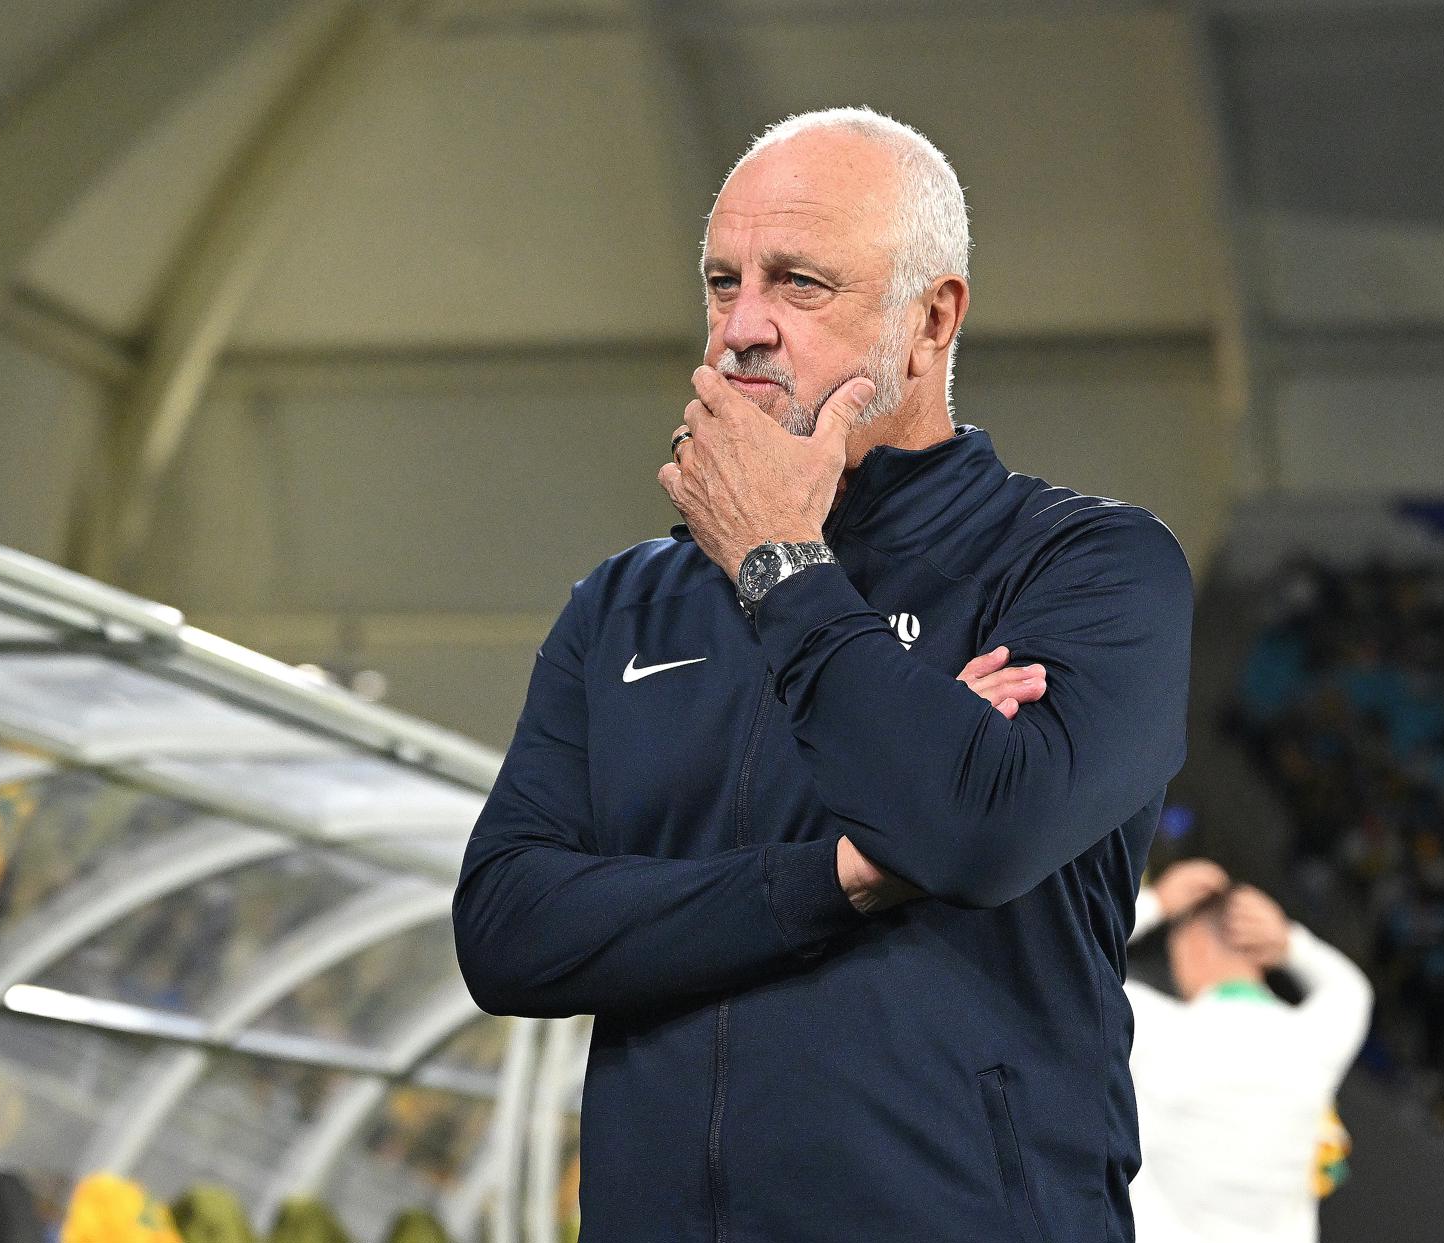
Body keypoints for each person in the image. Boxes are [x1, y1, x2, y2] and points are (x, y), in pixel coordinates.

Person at [453, 106, 1193, 1242]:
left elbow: (981, 831)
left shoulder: (1086, 566)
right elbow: (507, 927)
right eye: (721, 281)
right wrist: (841, 874)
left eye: (798, 284)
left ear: (933, 319)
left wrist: (778, 565)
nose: (742, 326)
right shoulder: (626, 602)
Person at [1126, 860, 1374, 1243]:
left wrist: (1155, 902)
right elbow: (1352, 990)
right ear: (1260, 947)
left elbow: (1065, 973)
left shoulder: (1150, 1027)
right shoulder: (1314, 1041)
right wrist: (1291, 943)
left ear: (1194, 944)